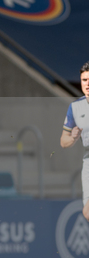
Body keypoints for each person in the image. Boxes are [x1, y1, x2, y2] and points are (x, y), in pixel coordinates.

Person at [61, 61, 89, 221]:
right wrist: (72, 137)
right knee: (86, 213)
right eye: (84, 80)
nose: (87, 84)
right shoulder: (75, 108)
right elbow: (63, 141)